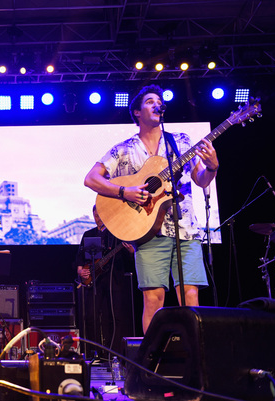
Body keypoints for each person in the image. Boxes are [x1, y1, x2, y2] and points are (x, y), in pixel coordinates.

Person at [84, 84, 218, 334]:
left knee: (190, 297)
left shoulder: (180, 142)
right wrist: (125, 191)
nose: (157, 104)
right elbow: (91, 179)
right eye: (149, 101)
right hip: (148, 233)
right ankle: (154, 363)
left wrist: (211, 167)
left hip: (185, 230)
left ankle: (193, 359)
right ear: (136, 112)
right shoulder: (122, 149)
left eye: (159, 101)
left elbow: (200, 179)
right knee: (154, 300)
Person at [75, 205, 135, 357]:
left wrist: (130, 252)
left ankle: (113, 353)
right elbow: (79, 259)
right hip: (94, 282)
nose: (98, 219)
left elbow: (130, 261)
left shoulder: (117, 234)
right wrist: (81, 271)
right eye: (95, 216)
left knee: (113, 317)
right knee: (91, 316)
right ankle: (93, 352)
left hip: (114, 281)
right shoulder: (88, 234)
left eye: (100, 215)